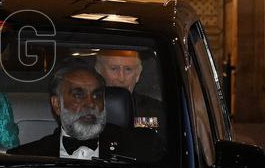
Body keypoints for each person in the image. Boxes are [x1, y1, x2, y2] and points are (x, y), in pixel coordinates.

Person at [10, 60, 157, 160]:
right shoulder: (27, 158)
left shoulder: (143, 148)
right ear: (57, 104)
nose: (90, 104)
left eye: (96, 95)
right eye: (78, 95)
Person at [94, 48, 162, 130]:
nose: (121, 78)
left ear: (137, 75)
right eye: (114, 69)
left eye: (128, 69)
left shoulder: (155, 111)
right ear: (99, 72)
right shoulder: (85, 107)